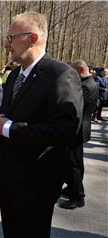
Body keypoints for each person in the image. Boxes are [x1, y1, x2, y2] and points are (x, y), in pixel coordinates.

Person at [0, 12, 83, 238]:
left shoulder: (61, 75)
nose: (6, 44)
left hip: (37, 182)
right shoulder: (14, 77)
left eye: (11, 37)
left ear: (32, 38)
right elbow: (9, 113)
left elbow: (65, 129)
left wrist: (9, 128)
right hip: (9, 176)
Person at [59, 59, 99, 209]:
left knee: (73, 164)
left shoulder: (86, 86)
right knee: (77, 162)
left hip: (77, 129)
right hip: (80, 128)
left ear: (80, 71)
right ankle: (72, 188)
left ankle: (78, 197)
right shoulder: (90, 83)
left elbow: (75, 108)